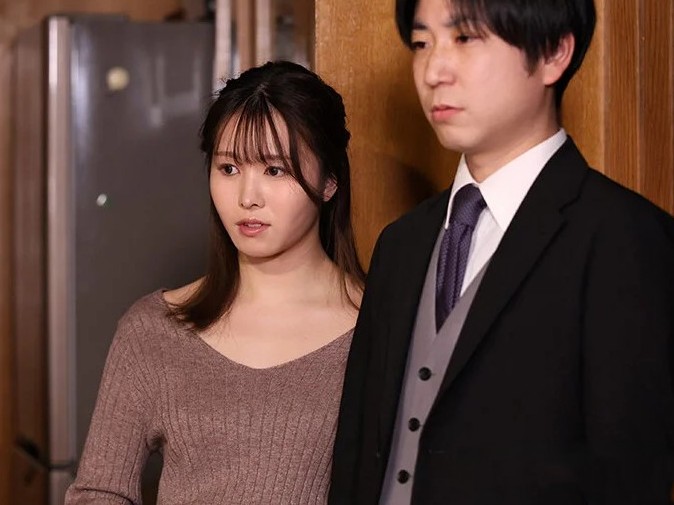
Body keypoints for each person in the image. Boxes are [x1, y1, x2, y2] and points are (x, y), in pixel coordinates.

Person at [329, 0, 674, 504]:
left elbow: (629, 477)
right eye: (422, 43)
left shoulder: (626, 239)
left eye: (465, 38)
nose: (434, 71)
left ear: (553, 53)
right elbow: (358, 452)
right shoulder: (401, 244)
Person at [65, 60, 365, 505]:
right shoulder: (154, 330)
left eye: (275, 170)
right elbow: (99, 492)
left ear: (329, 181)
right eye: (228, 168)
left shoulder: (380, 328)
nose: (247, 197)